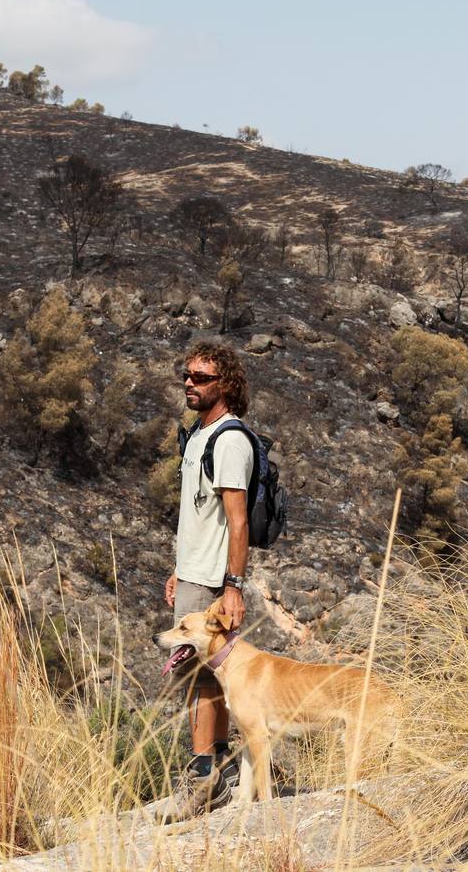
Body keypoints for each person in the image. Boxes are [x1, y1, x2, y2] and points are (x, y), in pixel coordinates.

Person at [160, 341, 253, 822]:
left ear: (225, 385)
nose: (189, 383)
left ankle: (202, 780)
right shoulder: (198, 434)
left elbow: (238, 521)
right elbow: (198, 513)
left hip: (213, 583)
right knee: (207, 677)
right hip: (193, 574)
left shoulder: (230, 441)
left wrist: (232, 586)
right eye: (187, 375)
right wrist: (180, 567)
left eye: (200, 377)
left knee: (197, 678)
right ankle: (220, 768)